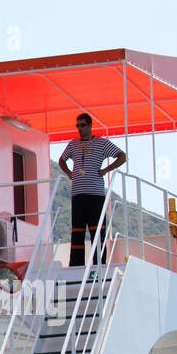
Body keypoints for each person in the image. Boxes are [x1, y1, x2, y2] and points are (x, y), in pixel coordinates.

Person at [57, 113, 125, 268]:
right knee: (77, 232)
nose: (80, 128)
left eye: (83, 125)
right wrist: (69, 173)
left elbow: (122, 156)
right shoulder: (73, 144)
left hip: (95, 194)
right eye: (78, 126)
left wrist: (106, 170)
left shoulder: (101, 143)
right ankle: (76, 265)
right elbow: (62, 160)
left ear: (90, 126)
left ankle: (99, 264)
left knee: (97, 231)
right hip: (77, 195)